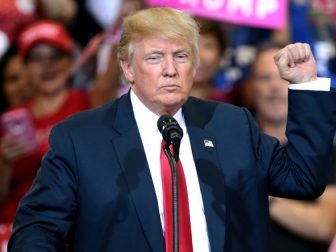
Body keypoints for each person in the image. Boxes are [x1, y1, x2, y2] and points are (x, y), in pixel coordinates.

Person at [8, 7, 336, 252]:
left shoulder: (230, 124)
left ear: (195, 65)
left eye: (181, 56)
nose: (170, 70)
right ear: (127, 68)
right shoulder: (80, 138)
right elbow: (37, 229)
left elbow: (303, 178)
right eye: (155, 57)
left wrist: (306, 85)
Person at [0, 20, 116, 225]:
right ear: (24, 67)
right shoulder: (12, 117)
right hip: (17, 227)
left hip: (78, 222)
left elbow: (111, 75)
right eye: (37, 58)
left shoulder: (91, 102)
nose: (48, 66)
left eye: (56, 56)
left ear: (71, 61)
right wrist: (4, 161)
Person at [250, 42, 336, 251]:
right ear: (251, 87)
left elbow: (325, 224)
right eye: (264, 77)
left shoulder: (327, 154)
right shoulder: (233, 145)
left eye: (283, 76)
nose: (274, 87)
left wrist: (255, 191)